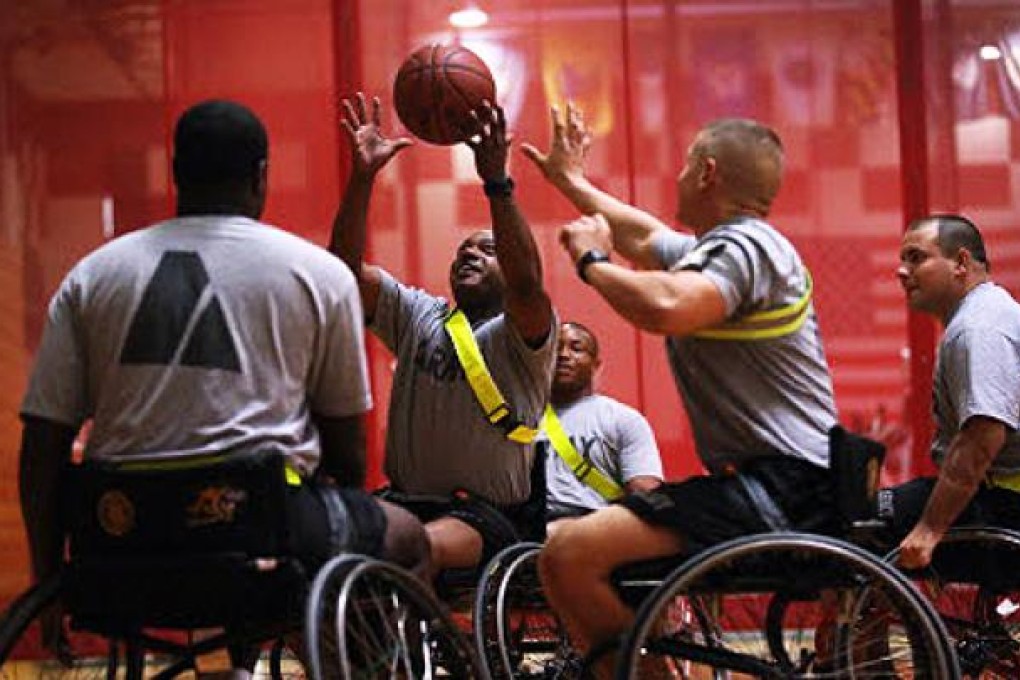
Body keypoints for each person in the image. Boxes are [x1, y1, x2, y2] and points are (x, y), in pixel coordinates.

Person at [18, 99, 429, 667]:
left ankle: (240, 665)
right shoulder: (318, 274)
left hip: (118, 551)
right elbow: (349, 457)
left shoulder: (93, 275)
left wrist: (46, 582)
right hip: (262, 544)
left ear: (176, 173)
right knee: (406, 536)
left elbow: (42, 451)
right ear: (262, 175)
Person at [522, 104, 839, 667]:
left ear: (707, 173)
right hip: (778, 480)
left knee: (568, 555)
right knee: (574, 553)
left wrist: (592, 260)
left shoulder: (747, 247)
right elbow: (642, 237)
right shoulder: (724, 247)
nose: (677, 176)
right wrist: (569, 181)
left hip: (787, 486)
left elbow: (668, 305)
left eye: (686, 164)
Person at [330, 93, 556, 580]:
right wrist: (363, 178)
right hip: (406, 502)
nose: (470, 255)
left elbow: (526, 284)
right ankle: (355, 658)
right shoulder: (420, 316)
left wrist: (497, 181)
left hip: (485, 516)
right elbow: (342, 274)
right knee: (324, 550)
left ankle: (414, 655)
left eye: (487, 249)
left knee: (409, 547)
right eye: (463, 250)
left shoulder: (523, 334)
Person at [884, 213, 1020, 569]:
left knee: (872, 517)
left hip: (1006, 508)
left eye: (916, 258)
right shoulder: (984, 314)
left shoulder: (978, 328)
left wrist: (929, 530)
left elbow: (981, 438)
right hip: (1000, 497)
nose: (902, 271)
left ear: (960, 263)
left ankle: (856, 624)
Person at [540, 321, 662, 536]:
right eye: (555, 348)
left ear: (596, 365)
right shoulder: (521, 420)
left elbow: (645, 493)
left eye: (576, 348)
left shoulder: (623, 419)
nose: (563, 355)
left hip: (594, 525)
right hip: (530, 524)